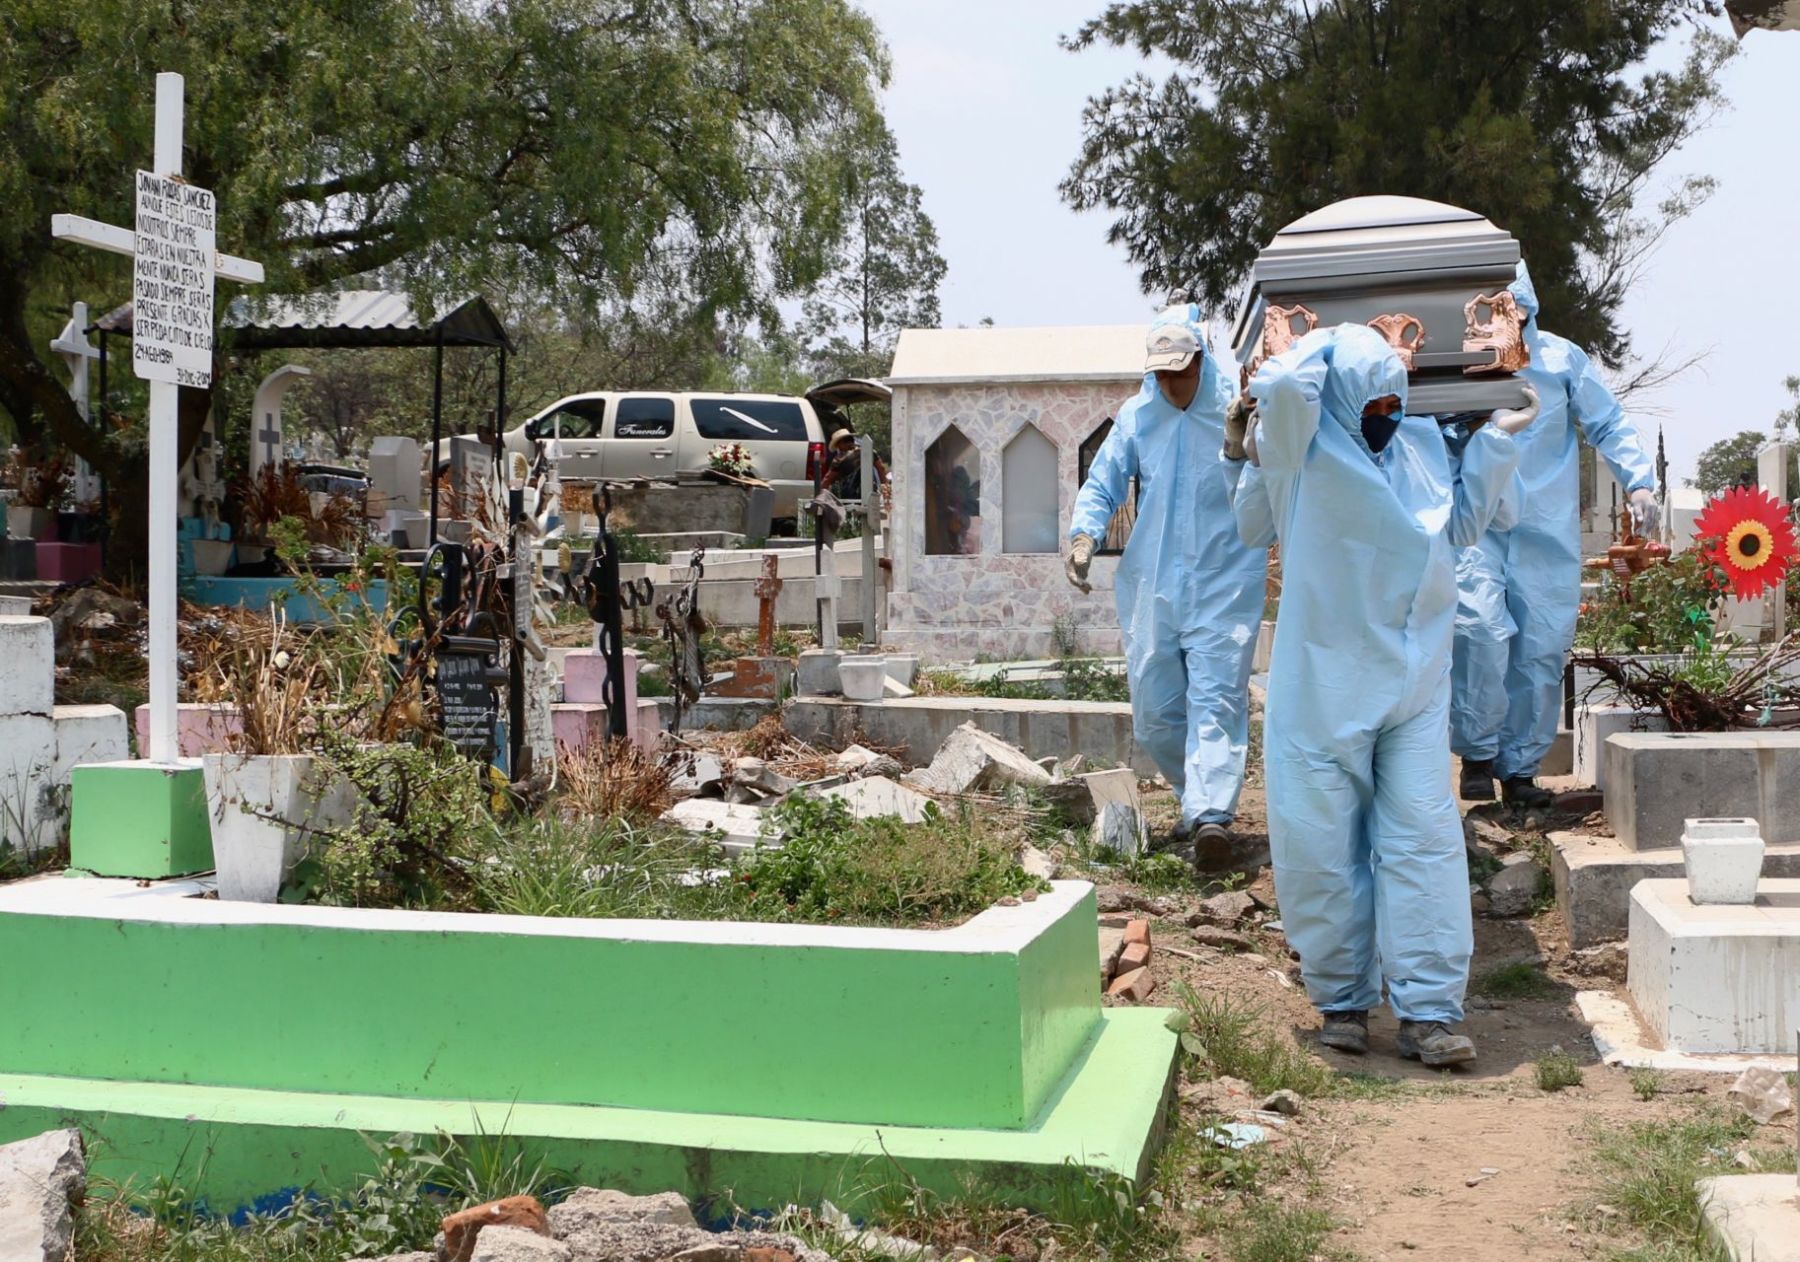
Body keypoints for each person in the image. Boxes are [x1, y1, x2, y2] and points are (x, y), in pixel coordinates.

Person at [1227, 324, 1532, 1065]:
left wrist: (1496, 440)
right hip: (1321, 688)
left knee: (1425, 843)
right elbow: (1254, 504)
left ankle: (1429, 1012)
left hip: (1414, 684)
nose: (1386, 417)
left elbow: (1463, 527)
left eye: (1396, 402)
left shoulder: (1418, 446)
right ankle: (1343, 1001)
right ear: (1336, 398)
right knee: (1320, 847)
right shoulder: (1300, 451)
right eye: (1372, 404)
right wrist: (1334, 337)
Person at [1451, 263, 1658, 806]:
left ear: (1529, 308)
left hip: (1544, 528)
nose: (1509, 320)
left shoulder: (1563, 359)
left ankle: (1520, 770)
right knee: (1478, 630)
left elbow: (1607, 421)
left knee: (1540, 648)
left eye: (1516, 309)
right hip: (1477, 523)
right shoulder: (1461, 359)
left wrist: (1639, 482)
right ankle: (1477, 754)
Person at [1067, 305, 1266, 862]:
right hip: (1154, 582)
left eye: (1179, 371)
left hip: (1225, 577)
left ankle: (1212, 816)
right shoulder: (1139, 416)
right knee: (1155, 715)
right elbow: (1103, 480)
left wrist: (1239, 446)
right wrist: (1084, 535)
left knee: (1216, 698)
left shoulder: (1235, 410)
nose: (1171, 383)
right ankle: (1192, 798)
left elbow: (1265, 484)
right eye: (1160, 373)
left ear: (1200, 360)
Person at [823, 428, 889, 504]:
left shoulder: (839, 459)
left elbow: (828, 479)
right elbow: (881, 469)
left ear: (840, 443)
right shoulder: (870, 451)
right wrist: (886, 490)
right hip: (871, 493)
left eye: (838, 446)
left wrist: (820, 495)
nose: (838, 449)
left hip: (849, 497)